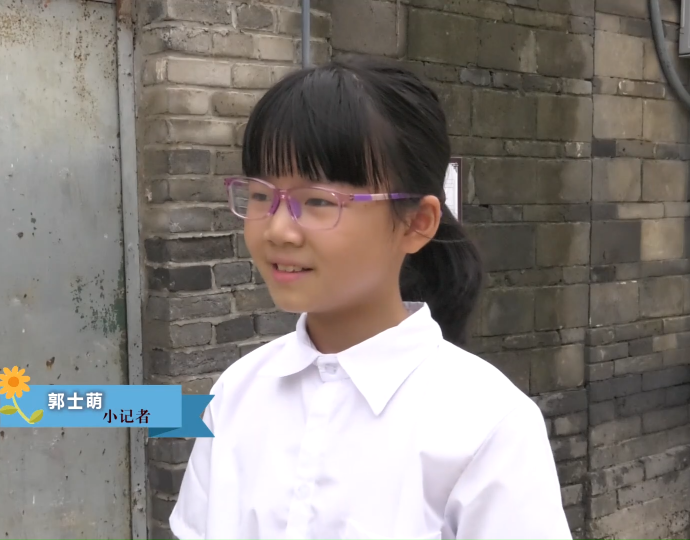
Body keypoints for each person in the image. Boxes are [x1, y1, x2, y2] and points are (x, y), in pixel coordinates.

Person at [168, 57, 572, 540]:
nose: (277, 229)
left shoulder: (487, 425)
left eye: (318, 201)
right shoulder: (236, 393)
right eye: (260, 195)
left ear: (416, 223)